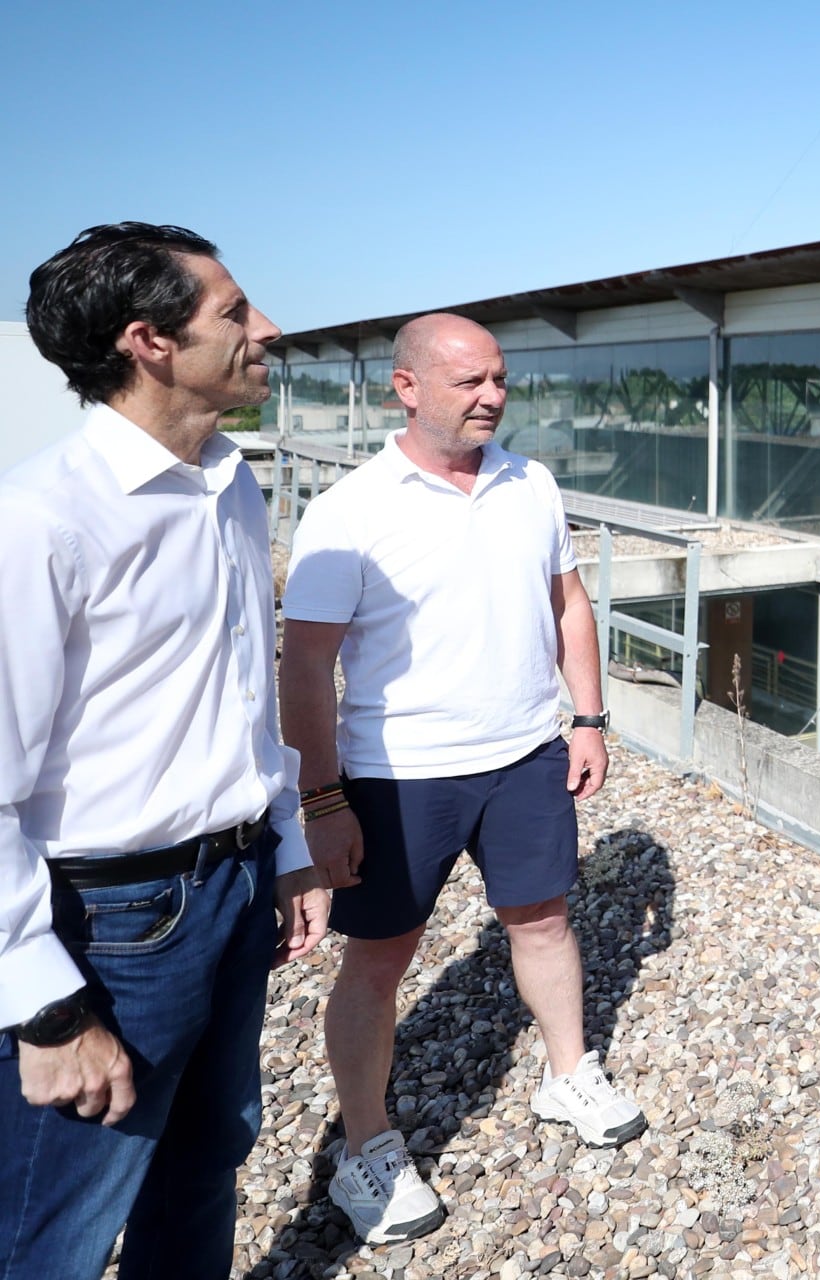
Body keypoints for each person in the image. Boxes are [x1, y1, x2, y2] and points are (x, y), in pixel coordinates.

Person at [0, 223, 329, 1280]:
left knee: (203, 1169)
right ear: (148, 342)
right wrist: (44, 1004)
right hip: (110, 927)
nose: (264, 327)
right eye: (234, 312)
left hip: (230, 892)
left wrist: (281, 845)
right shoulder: (39, 519)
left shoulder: (230, 482)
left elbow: (243, 695)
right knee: (55, 1225)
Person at [280, 312, 646, 1246]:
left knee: (545, 919)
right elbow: (304, 665)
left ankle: (569, 1075)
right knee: (378, 960)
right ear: (406, 388)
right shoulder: (352, 508)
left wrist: (590, 717)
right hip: (398, 775)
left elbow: (568, 604)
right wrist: (319, 801)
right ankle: (365, 1145)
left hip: (525, 755)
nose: (492, 397)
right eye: (468, 382)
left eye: (500, 380)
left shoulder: (533, 484)